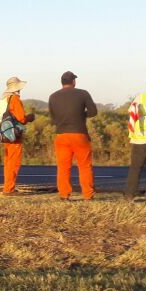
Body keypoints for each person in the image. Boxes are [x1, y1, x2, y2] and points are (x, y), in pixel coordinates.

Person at [47, 71, 97, 200]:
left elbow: (53, 117)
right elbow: (93, 112)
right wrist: (81, 115)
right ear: (74, 81)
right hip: (79, 134)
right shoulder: (83, 93)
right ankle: (88, 194)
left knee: (63, 167)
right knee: (85, 166)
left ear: (62, 82)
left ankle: (64, 194)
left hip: (61, 135)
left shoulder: (53, 96)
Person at [0, 76, 36, 195]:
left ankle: (8, 186)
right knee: (14, 162)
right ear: (16, 88)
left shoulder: (1, 101)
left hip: (4, 134)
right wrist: (30, 117)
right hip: (14, 136)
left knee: (8, 162)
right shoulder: (15, 100)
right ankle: (9, 189)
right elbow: (21, 118)